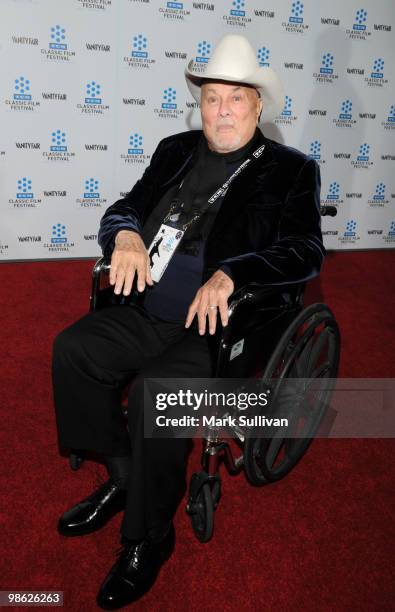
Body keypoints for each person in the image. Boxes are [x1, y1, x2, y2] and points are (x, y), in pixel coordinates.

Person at [52, 34, 324, 610]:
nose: (221, 111)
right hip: (146, 307)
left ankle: (150, 535)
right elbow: (127, 204)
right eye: (211, 99)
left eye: (235, 99)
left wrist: (232, 275)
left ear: (258, 106)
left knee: (155, 397)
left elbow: (305, 251)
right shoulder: (174, 148)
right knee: (73, 350)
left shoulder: (291, 170)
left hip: (220, 329)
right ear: (199, 103)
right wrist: (124, 233)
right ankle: (125, 478)